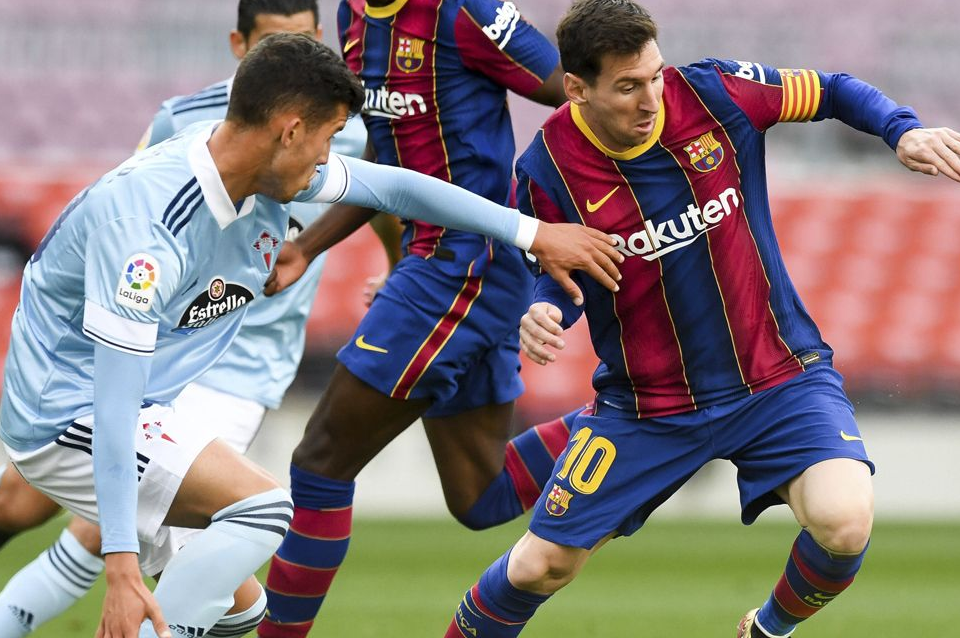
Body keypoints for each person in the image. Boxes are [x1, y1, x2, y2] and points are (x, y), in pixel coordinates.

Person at [0, 33, 619, 638]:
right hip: (66, 415)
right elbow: (111, 407)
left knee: (238, 610)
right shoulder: (147, 230)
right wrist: (121, 565)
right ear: (291, 130)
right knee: (264, 506)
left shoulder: (259, 168)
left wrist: (532, 233)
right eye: (328, 139)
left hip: (133, 407)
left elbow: (396, 186)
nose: (328, 160)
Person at [441, 1, 960, 637]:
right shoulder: (547, 167)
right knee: (537, 566)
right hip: (649, 406)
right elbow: (557, 273)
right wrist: (543, 309)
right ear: (576, 88)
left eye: (654, 75)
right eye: (627, 86)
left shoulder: (715, 93)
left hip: (777, 378)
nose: (650, 98)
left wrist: (901, 130)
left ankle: (765, 630)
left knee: (845, 523)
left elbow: (830, 89)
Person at [0, 3, 390, 637]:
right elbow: (136, 223)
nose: (287, 60)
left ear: (320, 39)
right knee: (41, 508)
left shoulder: (338, 127)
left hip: (243, 369)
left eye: (301, 42)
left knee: (128, 540)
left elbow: (389, 198)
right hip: (156, 355)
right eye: (270, 44)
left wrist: (394, 266)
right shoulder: (184, 122)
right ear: (240, 45)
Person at [258, 2, 592, 636]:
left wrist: (556, 208)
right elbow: (389, 166)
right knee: (480, 496)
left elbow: (575, 93)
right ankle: (635, 421)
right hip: (441, 263)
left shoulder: (463, 12)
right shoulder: (354, 16)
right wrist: (307, 246)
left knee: (321, 463)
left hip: (464, 264)